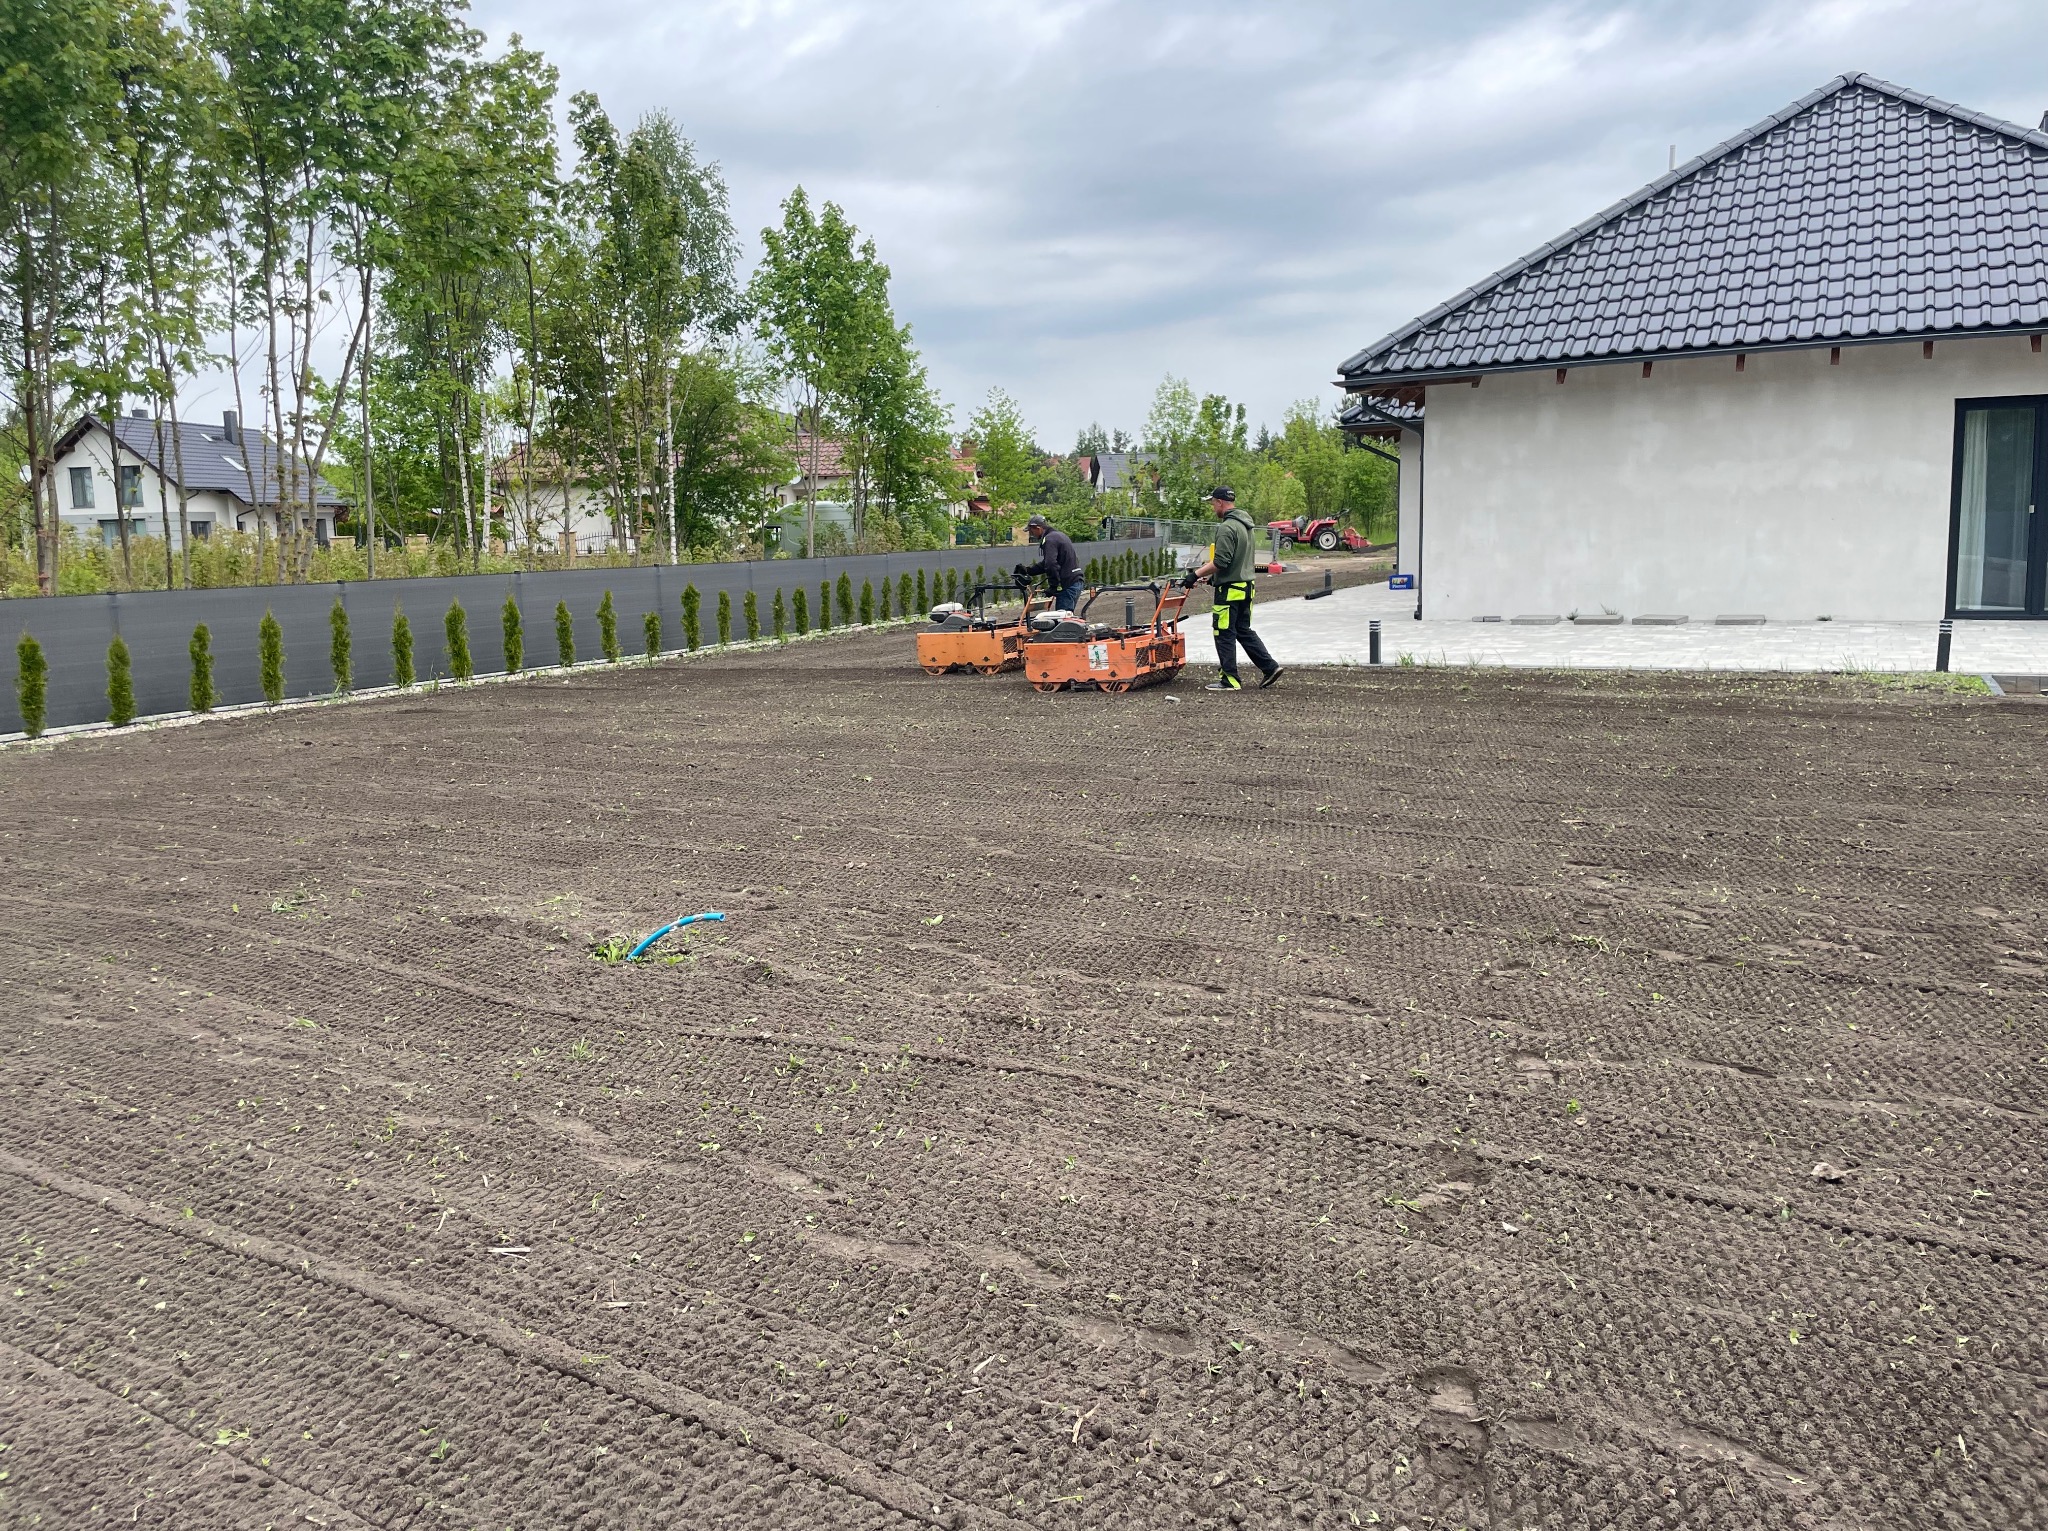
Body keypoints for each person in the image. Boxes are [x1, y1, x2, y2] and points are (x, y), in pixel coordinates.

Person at [1185, 487, 1282, 690]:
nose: (1213, 508)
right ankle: (1270, 667)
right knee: (1242, 630)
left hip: (1229, 591)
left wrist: (1195, 574)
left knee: (1223, 632)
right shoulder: (1246, 526)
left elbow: (1221, 561)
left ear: (1220, 502)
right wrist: (1212, 579)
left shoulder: (1227, 527)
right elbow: (1236, 561)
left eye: (1213, 504)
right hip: (1247, 587)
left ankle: (1230, 679)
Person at [1017, 513, 1084, 612]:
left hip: (1068, 584)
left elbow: (1051, 564)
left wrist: (1053, 586)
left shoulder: (1049, 540)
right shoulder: (1059, 535)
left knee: (1062, 621)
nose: (1032, 535)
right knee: (1066, 617)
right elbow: (1049, 563)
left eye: (1031, 531)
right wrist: (1029, 570)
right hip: (1075, 581)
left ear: (1038, 528)